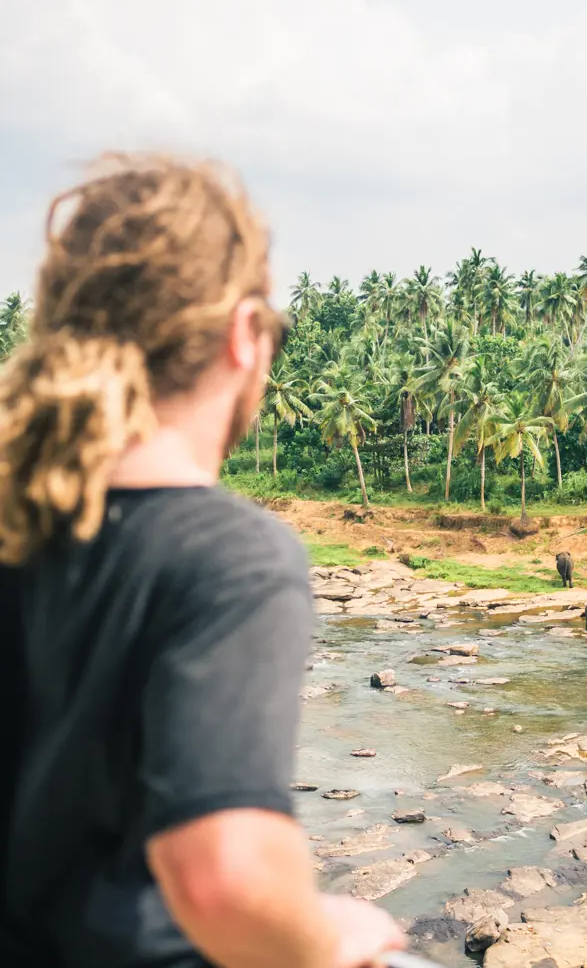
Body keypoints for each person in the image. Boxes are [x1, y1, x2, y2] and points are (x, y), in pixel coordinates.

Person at [0, 153, 406, 968]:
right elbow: (223, 878)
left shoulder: (21, 520)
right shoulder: (229, 559)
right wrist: (328, 938)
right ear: (242, 336)